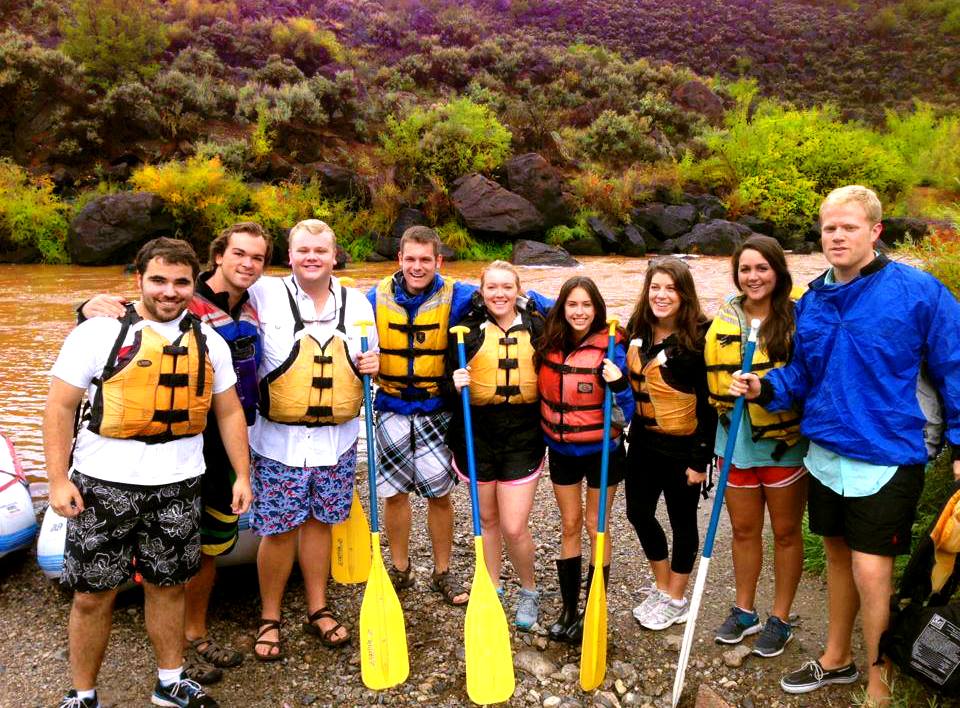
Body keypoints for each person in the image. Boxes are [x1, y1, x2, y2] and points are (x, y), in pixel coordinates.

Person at [730, 186, 960, 704]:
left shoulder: (919, 293)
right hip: (826, 454)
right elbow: (804, 375)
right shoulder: (813, 300)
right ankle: (837, 659)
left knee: (871, 569)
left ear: (875, 231)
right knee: (837, 558)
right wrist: (765, 387)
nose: (836, 236)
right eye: (829, 227)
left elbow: (955, 365)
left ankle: (880, 681)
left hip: (888, 454)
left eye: (849, 227)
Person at [45, 237, 249, 708]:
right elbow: (59, 406)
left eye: (181, 282)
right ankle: (83, 694)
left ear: (194, 284)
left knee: (169, 587)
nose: (169, 291)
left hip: (178, 484)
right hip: (103, 485)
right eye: (158, 280)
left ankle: (170, 682)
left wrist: (242, 473)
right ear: (139, 279)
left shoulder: (209, 341)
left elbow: (229, 411)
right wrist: (57, 479)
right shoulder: (97, 333)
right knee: (92, 595)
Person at [79, 222, 272, 683]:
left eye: (257, 258)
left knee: (206, 547)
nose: (247, 264)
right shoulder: (181, 294)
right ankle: (175, 651)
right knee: (174, 554)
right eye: (239, 254)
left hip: (227, 445)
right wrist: (83, 307)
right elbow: (130, 313)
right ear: (218, 255)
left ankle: (194, 634)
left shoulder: (258, 301)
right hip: (180, 446)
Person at [247, 219, 378, 661]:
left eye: (320, 250)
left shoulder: (358, 303)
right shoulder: (262, 294)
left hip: (337, 442)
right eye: (303, 250)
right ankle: (270, 617)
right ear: (289, 255)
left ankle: (317, 608)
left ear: (334, 256)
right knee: (279, 530)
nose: (312, 257)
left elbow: (367, 361)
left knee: (321, 523)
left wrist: (374, 364)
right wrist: (96, 306)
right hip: (277, 442)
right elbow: (204, 299)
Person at [705, 235, 808, 657]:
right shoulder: (724, 319)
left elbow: (806, 377)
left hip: (783, 445)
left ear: (777, 271)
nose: (753, 277)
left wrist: (763, 388)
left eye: (762, 268)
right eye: (745, 269)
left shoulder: (798, 319)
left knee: (785, 532)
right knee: (744, 531)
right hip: (735, 442)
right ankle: (744, 610)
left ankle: (780, 617)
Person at [366, 226, 475, 606]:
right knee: (394, 494)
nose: (417, 266)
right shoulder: (373, 298)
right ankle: (400, 569)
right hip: (391, 407)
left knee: (439, 494)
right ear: (399, 259)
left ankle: (442, 572)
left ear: (438, 261)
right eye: (410, 259)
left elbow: (507, 295)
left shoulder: (459, 296)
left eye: (425, 259)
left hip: (436, 409)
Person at [447, 261, 547, 629]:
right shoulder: (465, 330)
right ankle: (491, 586)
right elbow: (443, 385)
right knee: (487, 520)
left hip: (523, 435)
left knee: (514, 526)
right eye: (492, 287)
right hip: (477, 434)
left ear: (519, 290)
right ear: (482, 291)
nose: (499, 294)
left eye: (507, 287)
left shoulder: (538, 327)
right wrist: (453, 383)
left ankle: (529, 589)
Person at [535, 276, 634, 643]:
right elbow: (529, 296)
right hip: (562, 451)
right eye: (572, 304)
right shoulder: (550, 339)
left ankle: (593, 610)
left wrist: (619, 383)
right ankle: (567, 609)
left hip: (602, 452)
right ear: (562, 307)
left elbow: (629, 411)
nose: (579, 312)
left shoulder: (612, 346)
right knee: (570, 525)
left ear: (597, 309)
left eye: (586, 305)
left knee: (596, 526)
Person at [621, 257, 716, 631]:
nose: (661, 295)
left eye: (671, 288)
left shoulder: (699, 339)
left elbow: (708, 406)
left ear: (684, 294)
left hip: (684, 449)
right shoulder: (637, 329)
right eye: (655, 287)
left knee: (682, 521)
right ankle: (662, 588)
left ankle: (677, 598)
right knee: (638, 513)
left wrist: (700, 460)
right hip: (643, 442)